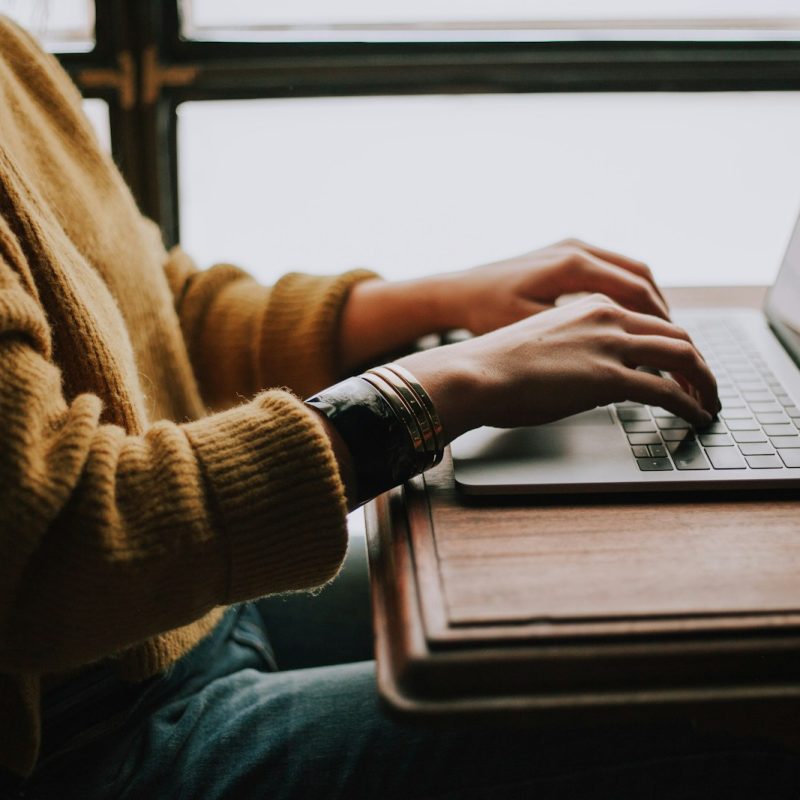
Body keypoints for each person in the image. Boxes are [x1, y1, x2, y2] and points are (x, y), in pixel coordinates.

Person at [1, 14, 798, 800]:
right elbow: (59, 548)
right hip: (91, 740)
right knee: (726, 708)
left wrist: (443, 300)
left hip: (181, 620)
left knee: (633, 611)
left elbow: (157, 311)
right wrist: (451, 381)